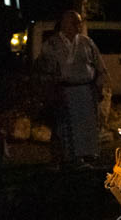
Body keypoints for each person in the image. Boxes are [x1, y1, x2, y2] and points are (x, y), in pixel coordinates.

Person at [38, 10, 107, 167]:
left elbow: (99, 67)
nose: (78, 25)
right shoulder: (52, 44)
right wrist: (49, 90)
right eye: (74, 22)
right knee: (66, 125)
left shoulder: (87, 42)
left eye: (79, 22)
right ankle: (69, 157)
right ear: (64, 24)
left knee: (86, 124)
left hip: (85, 89)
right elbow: (44, 70)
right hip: (64, 90)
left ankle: (87, 154)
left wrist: (99, 86)